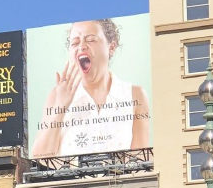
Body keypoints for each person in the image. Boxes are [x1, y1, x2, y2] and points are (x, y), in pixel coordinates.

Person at [31, 19, 150, 157]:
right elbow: (40, 158)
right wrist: (61, 106)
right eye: (75, 43)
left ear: (111, 47)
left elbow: (142, 159)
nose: (81, 46)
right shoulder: (57, 95)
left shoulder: (135, 94)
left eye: (91, 40)